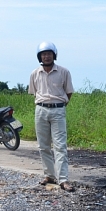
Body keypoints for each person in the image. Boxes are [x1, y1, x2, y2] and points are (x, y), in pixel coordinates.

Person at [29, 41, 74, 191]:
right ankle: (49, 175)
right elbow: (35, 93)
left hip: (58, 110)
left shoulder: (64, 72)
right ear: (39, 57)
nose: (46, 57)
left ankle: (63, 180)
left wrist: (59, 105)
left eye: (49, 54)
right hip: (41, 110)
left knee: (60, 146)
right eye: (43, 54)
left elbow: (69, 92)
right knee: (43, 146)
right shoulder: (35, 74)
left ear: (54, 55)